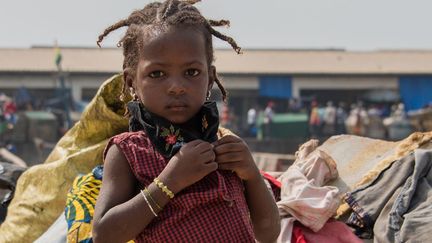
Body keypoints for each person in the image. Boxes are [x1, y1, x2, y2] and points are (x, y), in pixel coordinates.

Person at [92, 1, 280, 243]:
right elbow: (103, 235)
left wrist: (252, 174)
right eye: (157, 74)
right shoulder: (129, 151)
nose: (177, 87)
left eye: (191, 72)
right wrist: (169, 182)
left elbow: (268, 234)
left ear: (210, 78)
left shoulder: (225, 147)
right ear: (132, 83)